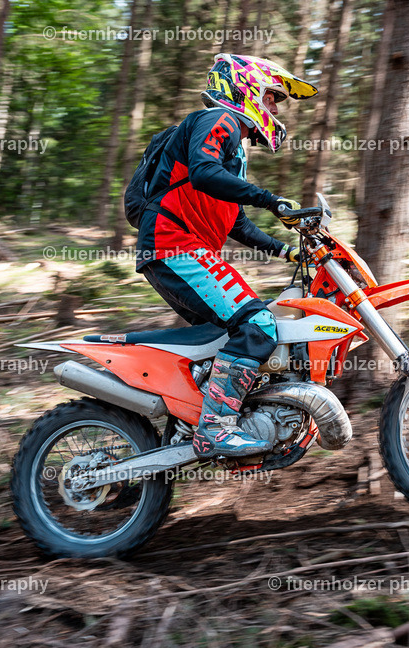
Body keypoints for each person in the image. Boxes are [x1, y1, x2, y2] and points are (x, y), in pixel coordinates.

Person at [134, 53, 318, 460]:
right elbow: (202, 171)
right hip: (174, 246)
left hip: (178, 249)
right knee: (258, 323)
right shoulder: (220, 120)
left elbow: (234, 222)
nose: (273, 109)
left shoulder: (232, 147)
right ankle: (216, 429)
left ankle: (192, 423)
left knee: (222, 338)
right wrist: (271, 200)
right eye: (272, 98)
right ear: (247, 88)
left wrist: (286, 250)